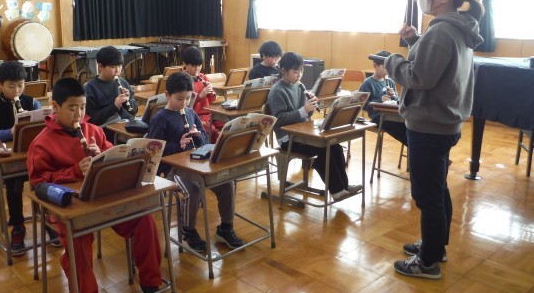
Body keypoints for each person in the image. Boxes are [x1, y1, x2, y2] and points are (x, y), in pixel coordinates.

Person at [27, 77, 166, 293]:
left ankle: (150, 282)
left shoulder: (94, 131)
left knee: (144, 219)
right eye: (72, 108)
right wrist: (73, 171)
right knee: (78, 243)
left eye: (82, 107)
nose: (79, 114)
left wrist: (101, 156)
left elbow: (115, 154)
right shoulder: (41, 143)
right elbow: (38, 183)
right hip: (70, 208)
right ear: (54, 107)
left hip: (103, 198)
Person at [386, 0, 484, 280]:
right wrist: (414, 40)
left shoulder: (442, 30)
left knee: (427, 197)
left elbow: (419, 77)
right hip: (446, 122)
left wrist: (391, 61)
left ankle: (428, 263)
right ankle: (435, 246)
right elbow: (436, 64)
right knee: (438, 190)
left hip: (429, 125)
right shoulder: (458, 27)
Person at [147, 72, 244, 252]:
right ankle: (188, 230)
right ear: (167, 95)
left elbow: (205, 140)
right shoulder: (160, 118)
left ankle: (225, 228)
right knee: (193, 190)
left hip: (195, 164)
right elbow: (154, 151)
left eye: (188, 98)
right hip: (172, 170)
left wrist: (198, 137)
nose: (184, 103)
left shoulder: (190, 113)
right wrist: (177, 145)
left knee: (226, 183)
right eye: (179, 99)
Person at [0, 61, 56, 255]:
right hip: (10, 160)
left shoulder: (32, 102)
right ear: (0, 85)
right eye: (11, 86)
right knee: (14, 186)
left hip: (33, 156)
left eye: (21, 85)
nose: (16, 91)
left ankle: (48, 220)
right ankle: (18, 225)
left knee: (47, 180)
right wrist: (10, 132)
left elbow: (45, 127)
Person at [267, 52, 362, 202]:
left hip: (302, 133)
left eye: (302, 71)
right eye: (295, 72)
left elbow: (306, 115)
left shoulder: (299, 86)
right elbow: (279, 120)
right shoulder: (277, 91)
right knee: (323, 148)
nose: (299, 75)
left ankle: (344, 185)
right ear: (283, 71)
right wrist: (303, 110)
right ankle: (336, 190)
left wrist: (310, 108)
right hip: (287, 138)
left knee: (335, 145)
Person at [358, 50, 407, 146]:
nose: (388, 71)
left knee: (407, 125)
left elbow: (397, 100)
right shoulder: (368, 83)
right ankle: (413, 146)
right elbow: (361, 104)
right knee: (402, 130)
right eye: (385, 67)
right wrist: (379, 101)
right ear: (375, 66)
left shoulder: (390, 82)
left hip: (391, 113)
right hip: (378, 116)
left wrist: (394, 96)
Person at [85, 46, 138, 130]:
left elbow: (134, 111)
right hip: (106, 129)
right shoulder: (90, 88)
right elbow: (91, 120)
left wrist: (128, 101)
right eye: (113, 67)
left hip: (127, 125)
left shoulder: (123, 82)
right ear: (100, 66)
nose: (117, 71)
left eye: (119, 66)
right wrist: (114, 106)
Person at [181, 46, 223, 142]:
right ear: (185, 64)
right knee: (212, 131)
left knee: (228, 124)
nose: (197, 69)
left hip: (209, 114)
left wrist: (211, 93)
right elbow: (185, 105)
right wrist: (200, 96)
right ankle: (212, 149)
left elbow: (212, 101)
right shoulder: (182, 79)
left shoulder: (203, 77)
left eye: (199, 65)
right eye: (193, 66)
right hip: (196, 116)